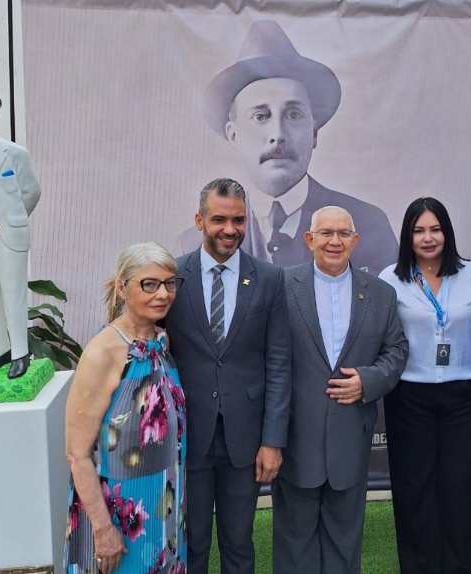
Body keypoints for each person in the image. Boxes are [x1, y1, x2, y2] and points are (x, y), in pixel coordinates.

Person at [176, 20, 397, 274]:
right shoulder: (195, 244)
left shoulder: (367, 227)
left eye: (293, 115)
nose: (278, 135)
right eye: (260, 116)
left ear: (314, 132)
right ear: (234, 135)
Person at [164, 178, 291, 574]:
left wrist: (272, 440)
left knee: (238, 542)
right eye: (219, 219)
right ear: (199, 219)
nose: (230, 230)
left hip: (246, 440)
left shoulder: (270, 279)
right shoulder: (173, 277)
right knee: (193, 540)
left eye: (238, 220)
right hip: (189, 437)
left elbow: (279, 363)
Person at [273, 206, 408, 574]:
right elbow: (268, 358)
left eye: (343, 233)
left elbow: (396, 351)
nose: (335, 241)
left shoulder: (381, 294)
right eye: (326, 233)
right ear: (309, 239)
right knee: (293, 543)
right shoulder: (281, 286)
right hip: (296, 439)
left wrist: (368, 381)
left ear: (355, 240)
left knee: (344, 543)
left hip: (351, 437)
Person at [378, 197, 471, 574]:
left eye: (435, 229)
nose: (428, 238)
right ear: (407, 237)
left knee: (461, 486)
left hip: (463, 394)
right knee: (414, 487)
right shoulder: (391, 279)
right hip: (408, 396)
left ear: (447, 233)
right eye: (419, 231)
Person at [63, 242, 187, 574]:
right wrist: (103, 530)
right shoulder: (103, 352)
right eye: (149, 284)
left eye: (169, 283)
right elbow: (77, 455)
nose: (163, 294)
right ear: (122, 286)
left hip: (164, 513)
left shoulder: (161, 341)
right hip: (119, 521)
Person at [0, 80, 42, 379]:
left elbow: (31, 191)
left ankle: (19, 352)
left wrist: (14, 218)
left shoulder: (14, 153)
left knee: (13, 292)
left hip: (9, 236)